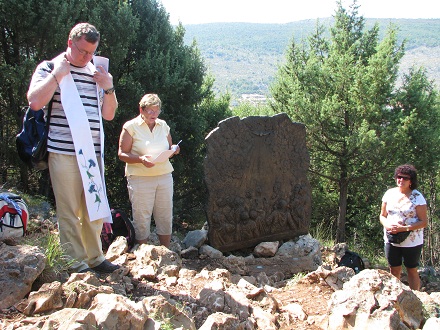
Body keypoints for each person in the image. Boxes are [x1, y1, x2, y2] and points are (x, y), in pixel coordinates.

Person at [27, 23, 119, 274]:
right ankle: (75, 262)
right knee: (68, 210)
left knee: (95, 206)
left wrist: (108, 87)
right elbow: (35, 102)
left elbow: (108, 115)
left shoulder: (96, 71)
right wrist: (57, 75)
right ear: (70, 42)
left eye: (91, 52)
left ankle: (94, 257)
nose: (86, 57)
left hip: (93, 152)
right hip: (64, 152)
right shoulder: (50, 67)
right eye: (82, 51)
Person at [118, 93, 180, 248]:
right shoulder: (130, 126)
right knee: (141, 216)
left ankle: (166, 251)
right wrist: (140, 159)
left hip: (164, 175)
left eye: (156, 110)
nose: (154, 114)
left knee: (165, 215)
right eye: (150, 111)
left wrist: (175, 149)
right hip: (140, 177)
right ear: (141, 109)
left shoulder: (163, 125)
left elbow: (170, 147)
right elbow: (121, 154)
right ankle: (142, 254)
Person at [379, 164, 428, 290]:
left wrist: (405, 229)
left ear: (411, 180)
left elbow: (423, 222)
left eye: (405, 178)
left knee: (411, 269)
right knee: (394, 269)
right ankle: (395, 296)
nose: (401, 180)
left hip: (411, 241)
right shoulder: (389, 194)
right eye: (399, 177)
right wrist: (388, 225)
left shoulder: (417, 197)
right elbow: (382, 215)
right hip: (391, 238)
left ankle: (415, 298)